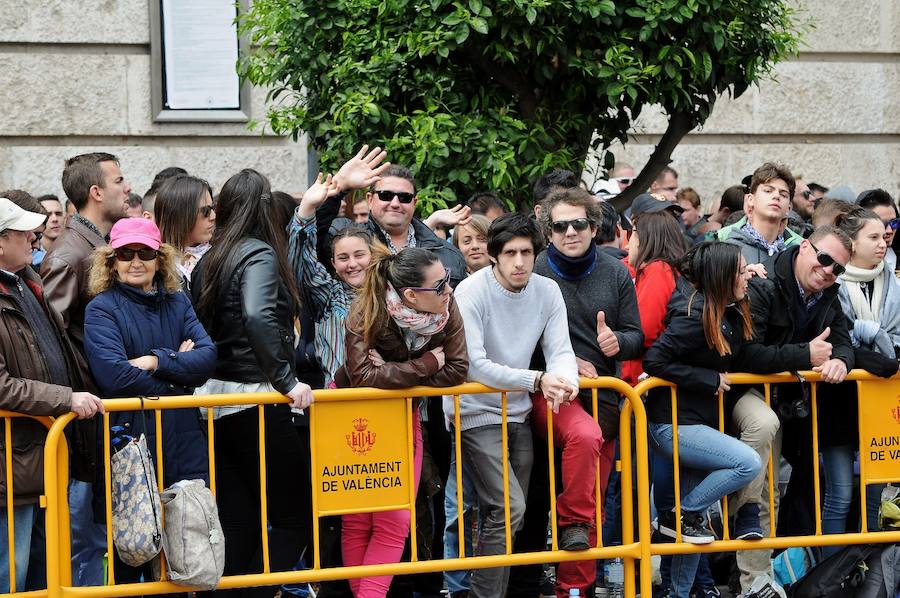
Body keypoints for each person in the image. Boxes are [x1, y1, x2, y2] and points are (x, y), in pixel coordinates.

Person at [644, 241, 804, 598]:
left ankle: (678, 590)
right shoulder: (695, 314)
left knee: (693, 535)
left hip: (699, 424)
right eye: (741, 269)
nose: (748, 274)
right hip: (673, 425)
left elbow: (747, 353)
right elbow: (655, 360)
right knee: (747, 462)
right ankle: (681, 514)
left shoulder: (729, 310)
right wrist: (708, 379)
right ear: (722, 276)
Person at [191, 168, 314, 595]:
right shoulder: (257, 253)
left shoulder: (212, 256)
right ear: (263, 207)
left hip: (217, 396)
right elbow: (259, 315)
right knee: (295, 516)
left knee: (240, 518)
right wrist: (285, 379)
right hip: (255, 395)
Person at [444, 213, 578, 598]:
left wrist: (564, 382)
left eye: (526, 252)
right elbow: (474, 363)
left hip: (517, 410)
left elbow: (560, 350)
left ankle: (486, 592)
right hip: (472, 410)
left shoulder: (547, 290)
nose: (519, 262)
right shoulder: (470, 292)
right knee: (508, 510)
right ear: (493, 256)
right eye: (510, 253)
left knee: (506, 516)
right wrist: (537, 380)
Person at [83, 217, 216, 584]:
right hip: (130, 444)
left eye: (146, 252)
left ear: (161, 258)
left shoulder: (177, 301)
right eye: (126, 253)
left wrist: (157, 360)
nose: (136, 261)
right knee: (133, 551)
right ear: (111, 261)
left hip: (183, 441)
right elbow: (114, 375)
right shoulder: (101, 309)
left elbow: (206, 359)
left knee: (186, 549)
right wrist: (178, 369)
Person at [334, 245, 467, 598]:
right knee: (359, 518)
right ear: (410, 294)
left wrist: (391, 373)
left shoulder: (447, 308)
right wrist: (425, 365)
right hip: (353, 413)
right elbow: (361, 376)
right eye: (439, 285)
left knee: (394, 519)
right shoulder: (368, 307)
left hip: (403, 414)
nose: (449, 290)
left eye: (448, 280)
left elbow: (456, 370)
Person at [533, 187, 643, 597]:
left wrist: (617, 342)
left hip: (604, 398)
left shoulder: (616, 272)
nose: (570, 232)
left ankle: (576, 590)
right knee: (545, 499)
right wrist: (559, 365)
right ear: (548, 232)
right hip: (550, 394)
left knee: (592, 497)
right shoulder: (537, 268)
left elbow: (636, 336)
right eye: (560, 226)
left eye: (579, 224)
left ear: (594, 228)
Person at [0, 198, 104, 593]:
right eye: (23, 231)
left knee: (45, 571)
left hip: (42, 454)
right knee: (13, 571)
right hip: (12, 462)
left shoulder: (28, 281)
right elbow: (3, 385)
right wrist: (65, 398)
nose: (35, 235)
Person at [40, 151, 131, 586]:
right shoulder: (68, 253)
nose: (126, 187)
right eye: (118, 180)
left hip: (103, 404)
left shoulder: (96, 244)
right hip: (84, 413)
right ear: (96, 192)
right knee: (85, 534)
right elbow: (50, 337)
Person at [821, 207, 898, 553]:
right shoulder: (830, 282)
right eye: (873, 237)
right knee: (839, 494)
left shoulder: (892, 279)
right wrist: (871, 352)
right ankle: (830, 577)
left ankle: (870, 575)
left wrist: (882, 351)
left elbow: (894, 336)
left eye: (884, 236)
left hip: (881, 401)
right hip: (839, 398)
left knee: (874, 492)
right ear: (851, 243)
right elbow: (840, 337)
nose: (882, 244)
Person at [323, 162, 467, 288]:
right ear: (370, 199)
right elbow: (306, 242)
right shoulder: (343, 238)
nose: (395, 204)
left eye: (405, 198)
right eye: (386, 195)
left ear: (414, 203)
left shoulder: (448, 254)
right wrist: (339, 189)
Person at [621, 211, 689, 385]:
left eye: (633, 232)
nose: (628, 244)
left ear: (647, 237)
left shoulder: (657, 270)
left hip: (644, 381)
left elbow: (645, 330)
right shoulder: (667, 269)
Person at [715, 163, 802, 272]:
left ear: (789, 208)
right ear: (750, 200)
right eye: (768, 191)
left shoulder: (797, 252)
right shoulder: (727, 248)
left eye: (783, 195)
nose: (776, 196)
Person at [153, 174, 216, 293]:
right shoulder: (153, 264)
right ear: (180, 216)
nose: (213, 216)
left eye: (213, 208)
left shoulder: (221, 256)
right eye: (206, 211)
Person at [856, 188, 899, 271]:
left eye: (894, 222)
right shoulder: (842, 263)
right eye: (881, 223)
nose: (889, 230)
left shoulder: (896, 257)